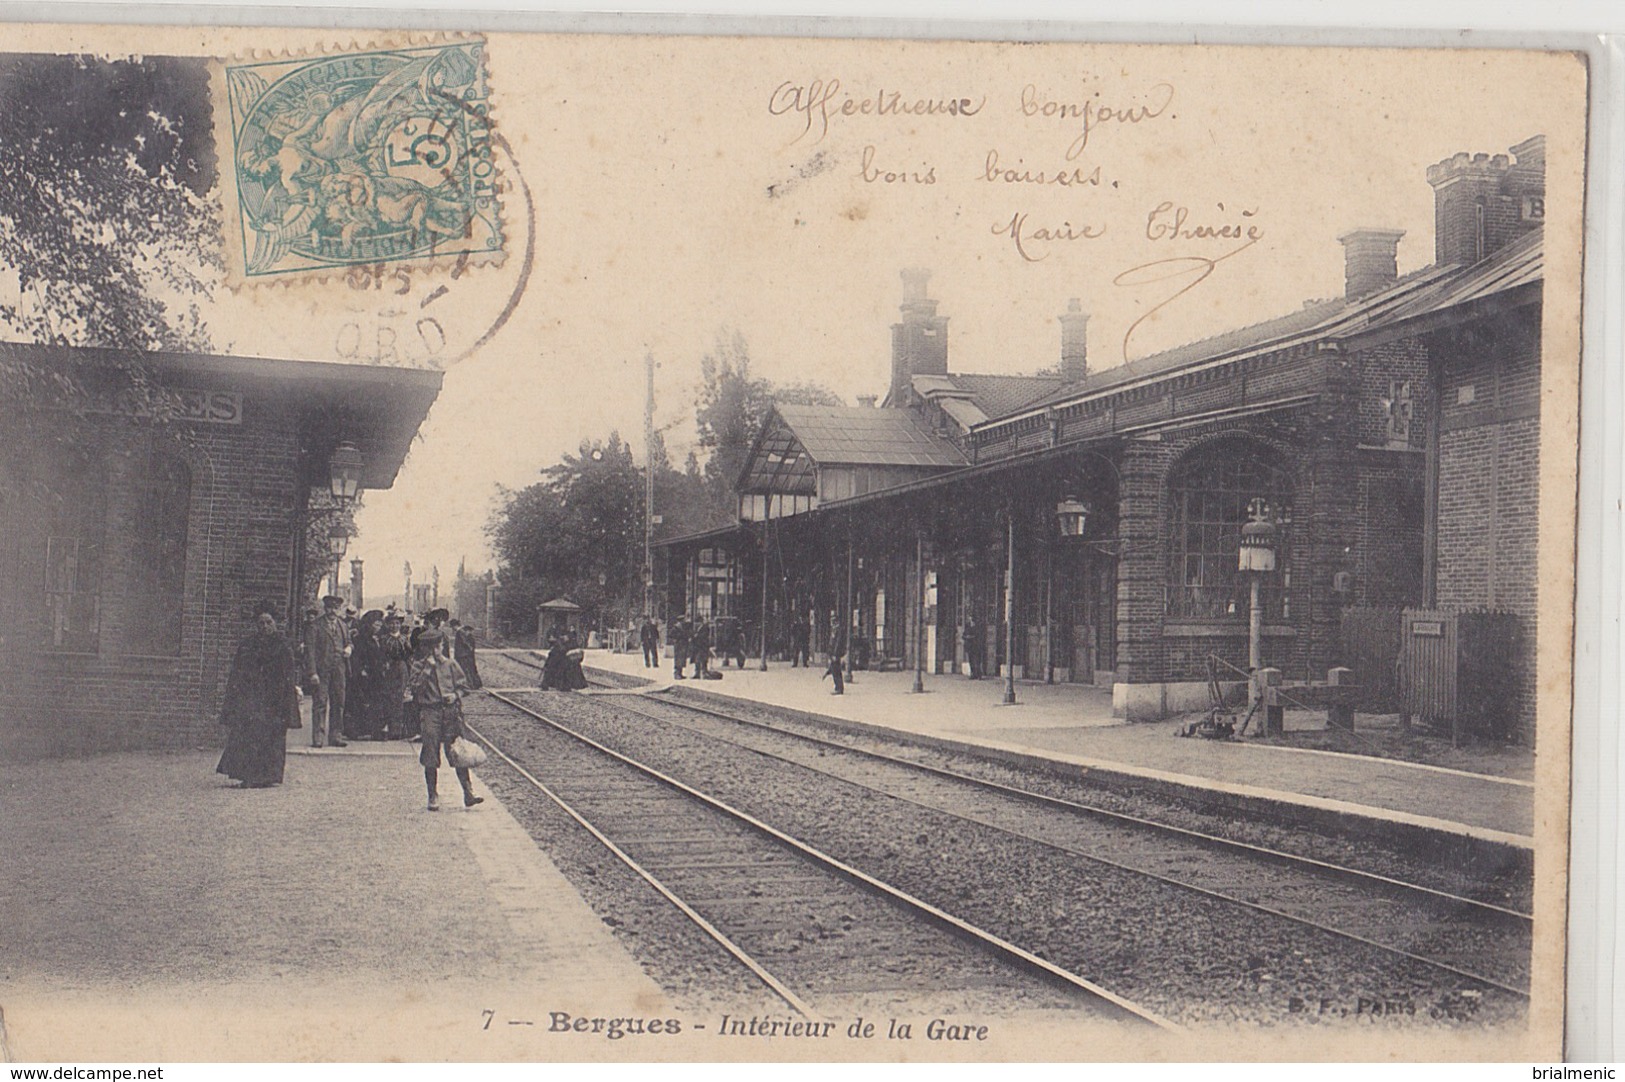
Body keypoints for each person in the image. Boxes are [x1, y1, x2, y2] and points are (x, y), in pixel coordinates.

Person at [216, 604, 300, 788]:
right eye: (261, 623)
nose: (265, 626)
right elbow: (237, 673)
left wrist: (287, 699)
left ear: (275, 623)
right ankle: (249, 776)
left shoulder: (283, 646)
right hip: (252, 700)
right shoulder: (247, 645)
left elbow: (288, 675)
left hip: (274, 701)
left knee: (272, 738)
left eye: (269, 622)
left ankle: (269, 776)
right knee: (249, 736)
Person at [409, 630, 483, 811]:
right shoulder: (418, 666)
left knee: (458, 752)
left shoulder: (451, 664)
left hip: (450, 713)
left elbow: (464, 686)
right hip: (430, 712)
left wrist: (455, 695)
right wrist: (427, 669)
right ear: (425, 649)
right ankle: (432, 795)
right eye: (432, 648)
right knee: (430, 753)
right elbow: (415, 690)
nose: (436, 651)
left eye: (439, 646)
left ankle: (468, 793)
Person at [304, 595, 351, 747]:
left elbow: (349, 642)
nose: (332, 611)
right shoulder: (315, 626)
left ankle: (335, 735)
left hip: (339, 670)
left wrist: (349, 648)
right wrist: (312, 672)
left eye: (335, 608)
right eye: (330, 608)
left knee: (339, 703)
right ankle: (318, 736)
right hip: (322, 671)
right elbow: (310, 651)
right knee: (320, 703)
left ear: (339, 610)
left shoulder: (343, 626)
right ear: (325, 608)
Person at [348, 610, 386, 739]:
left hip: (376, 675)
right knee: (363, 701)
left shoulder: (378, 639)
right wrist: (361, 670)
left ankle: (373, 730)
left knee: (375, 702)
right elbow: (357, 657)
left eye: (380, 625)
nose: (378, 628)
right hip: (365, 675)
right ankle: (361, 730)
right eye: (376, 625)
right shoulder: (360, 638)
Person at [379, 611, 413, 739]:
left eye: (397, 623)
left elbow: (409, 656)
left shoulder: (404, 639)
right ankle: (386, 728)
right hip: (388, 669)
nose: (394, 626)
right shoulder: (383, 639)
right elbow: (380, 655)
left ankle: (397, 730)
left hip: (401, 669)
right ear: (388, 625)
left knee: (399, 698)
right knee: (388, 698)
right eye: (392, 623)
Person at [451, 618, 482, 690]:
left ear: (455, 626)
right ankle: (474, 684)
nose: (453, 629)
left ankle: (471, 685)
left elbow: (465, 642)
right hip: (464, 654)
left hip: (462, 655)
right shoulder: (462, 631)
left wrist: (469, 649)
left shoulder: (460, 632)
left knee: (465, 670)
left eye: (452, 627)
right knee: (468, 669)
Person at [963, 614, 983, 680]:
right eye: (970, 618)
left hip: (976, 646)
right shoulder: (967, 626)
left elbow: (979, 636)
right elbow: (963, 635)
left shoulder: (977, 626)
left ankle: (979, 674)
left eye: (972, 618)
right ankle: (973, 674)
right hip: (969, 646)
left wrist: (971, 637)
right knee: (971, 660)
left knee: (977, 661)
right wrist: (966, 637)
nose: (970, 619)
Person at [670, 616, 691, 680]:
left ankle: (680, 673)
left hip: (683, 645)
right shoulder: (675, 628)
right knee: (678, 659)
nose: (683, 621)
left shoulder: (683, 627)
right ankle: (676, 674)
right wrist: (676, 639)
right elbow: (671, 635)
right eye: (682, 620)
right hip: (678, 645)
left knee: (682, 659)